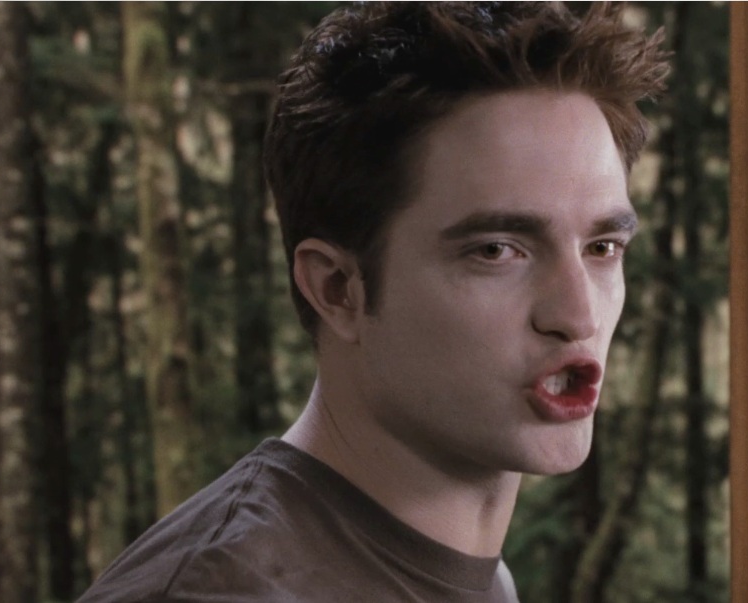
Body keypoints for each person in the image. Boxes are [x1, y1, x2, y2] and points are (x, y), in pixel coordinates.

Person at [77, 2, 669, 602]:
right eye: (496, 251)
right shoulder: (222, 592)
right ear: (337, 288)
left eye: (602, 247)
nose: (578, 316)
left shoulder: (478, 578)